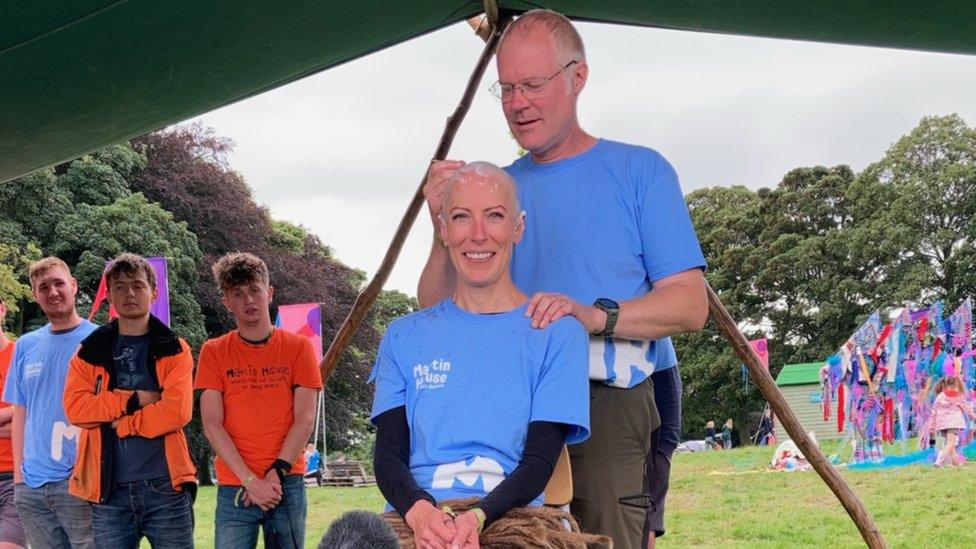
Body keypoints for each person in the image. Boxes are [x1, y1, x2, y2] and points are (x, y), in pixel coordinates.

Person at [417, 10, 707, 549]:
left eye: (532, 84)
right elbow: (438, 311)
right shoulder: (496, 192)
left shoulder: (641, 171)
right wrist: (442, 224)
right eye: (506, 89)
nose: (518, 102)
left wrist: (592, 315)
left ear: (578, 77)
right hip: (509, 412)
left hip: (607, 406)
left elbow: (690, 305)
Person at [374, 163, 590, 549]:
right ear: (443, 230)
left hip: (511, 515)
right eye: (461, 217)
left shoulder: (557, 333)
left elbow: (538, 464)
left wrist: (476, 518)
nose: (477, 234)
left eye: (494, 216)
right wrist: (423, 514)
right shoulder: (402, 336)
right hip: (414, 515)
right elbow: (389, 457)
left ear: (518, 228)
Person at [63, 253, 196, 548]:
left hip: (166, 486)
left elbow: (177, 411)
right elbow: (76, 409)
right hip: (108, 489)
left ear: (154, 292)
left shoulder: (175, 348)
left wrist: (125, 424)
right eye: (120, 287)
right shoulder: (89, 352)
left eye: (138, 285)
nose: (130, 294)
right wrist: (132, 399)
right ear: (109, 295)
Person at [196, 252, 322, 549]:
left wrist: (275, 474)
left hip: (286, 482)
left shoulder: (299, 348)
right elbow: (212, 425)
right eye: (237, 293)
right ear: (226, 302)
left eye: (254, 289)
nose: (248, 300)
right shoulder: (214, 351)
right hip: (234, 484)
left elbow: (305, 419)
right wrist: (251, 481)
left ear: (269, 293)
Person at [3, 257, 97, 548]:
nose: (53, 292)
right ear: (35, 295)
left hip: (82, 482)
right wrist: (20, 477)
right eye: (44, 287)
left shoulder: (100, 339)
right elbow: (22, 413)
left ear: (73, 285)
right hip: (32, 487)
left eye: (59, 283)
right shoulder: (26, 346)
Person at [0, 298, 27, 549]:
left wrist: (11, 413)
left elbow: (34, 415)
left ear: (2, 309)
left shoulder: (23, 353)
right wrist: (14, 415)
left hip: (15, 476)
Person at [929, 376, 974, 467]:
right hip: (953, 423)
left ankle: (956, 464)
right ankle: (939, 462)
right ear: (956, 385)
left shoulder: (939, 397)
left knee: (941, 445)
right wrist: (973, 417)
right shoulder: (958, 396)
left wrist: (931, 426)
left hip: (940, 424)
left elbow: (934, 412)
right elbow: (967, 409)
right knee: (951, 444)